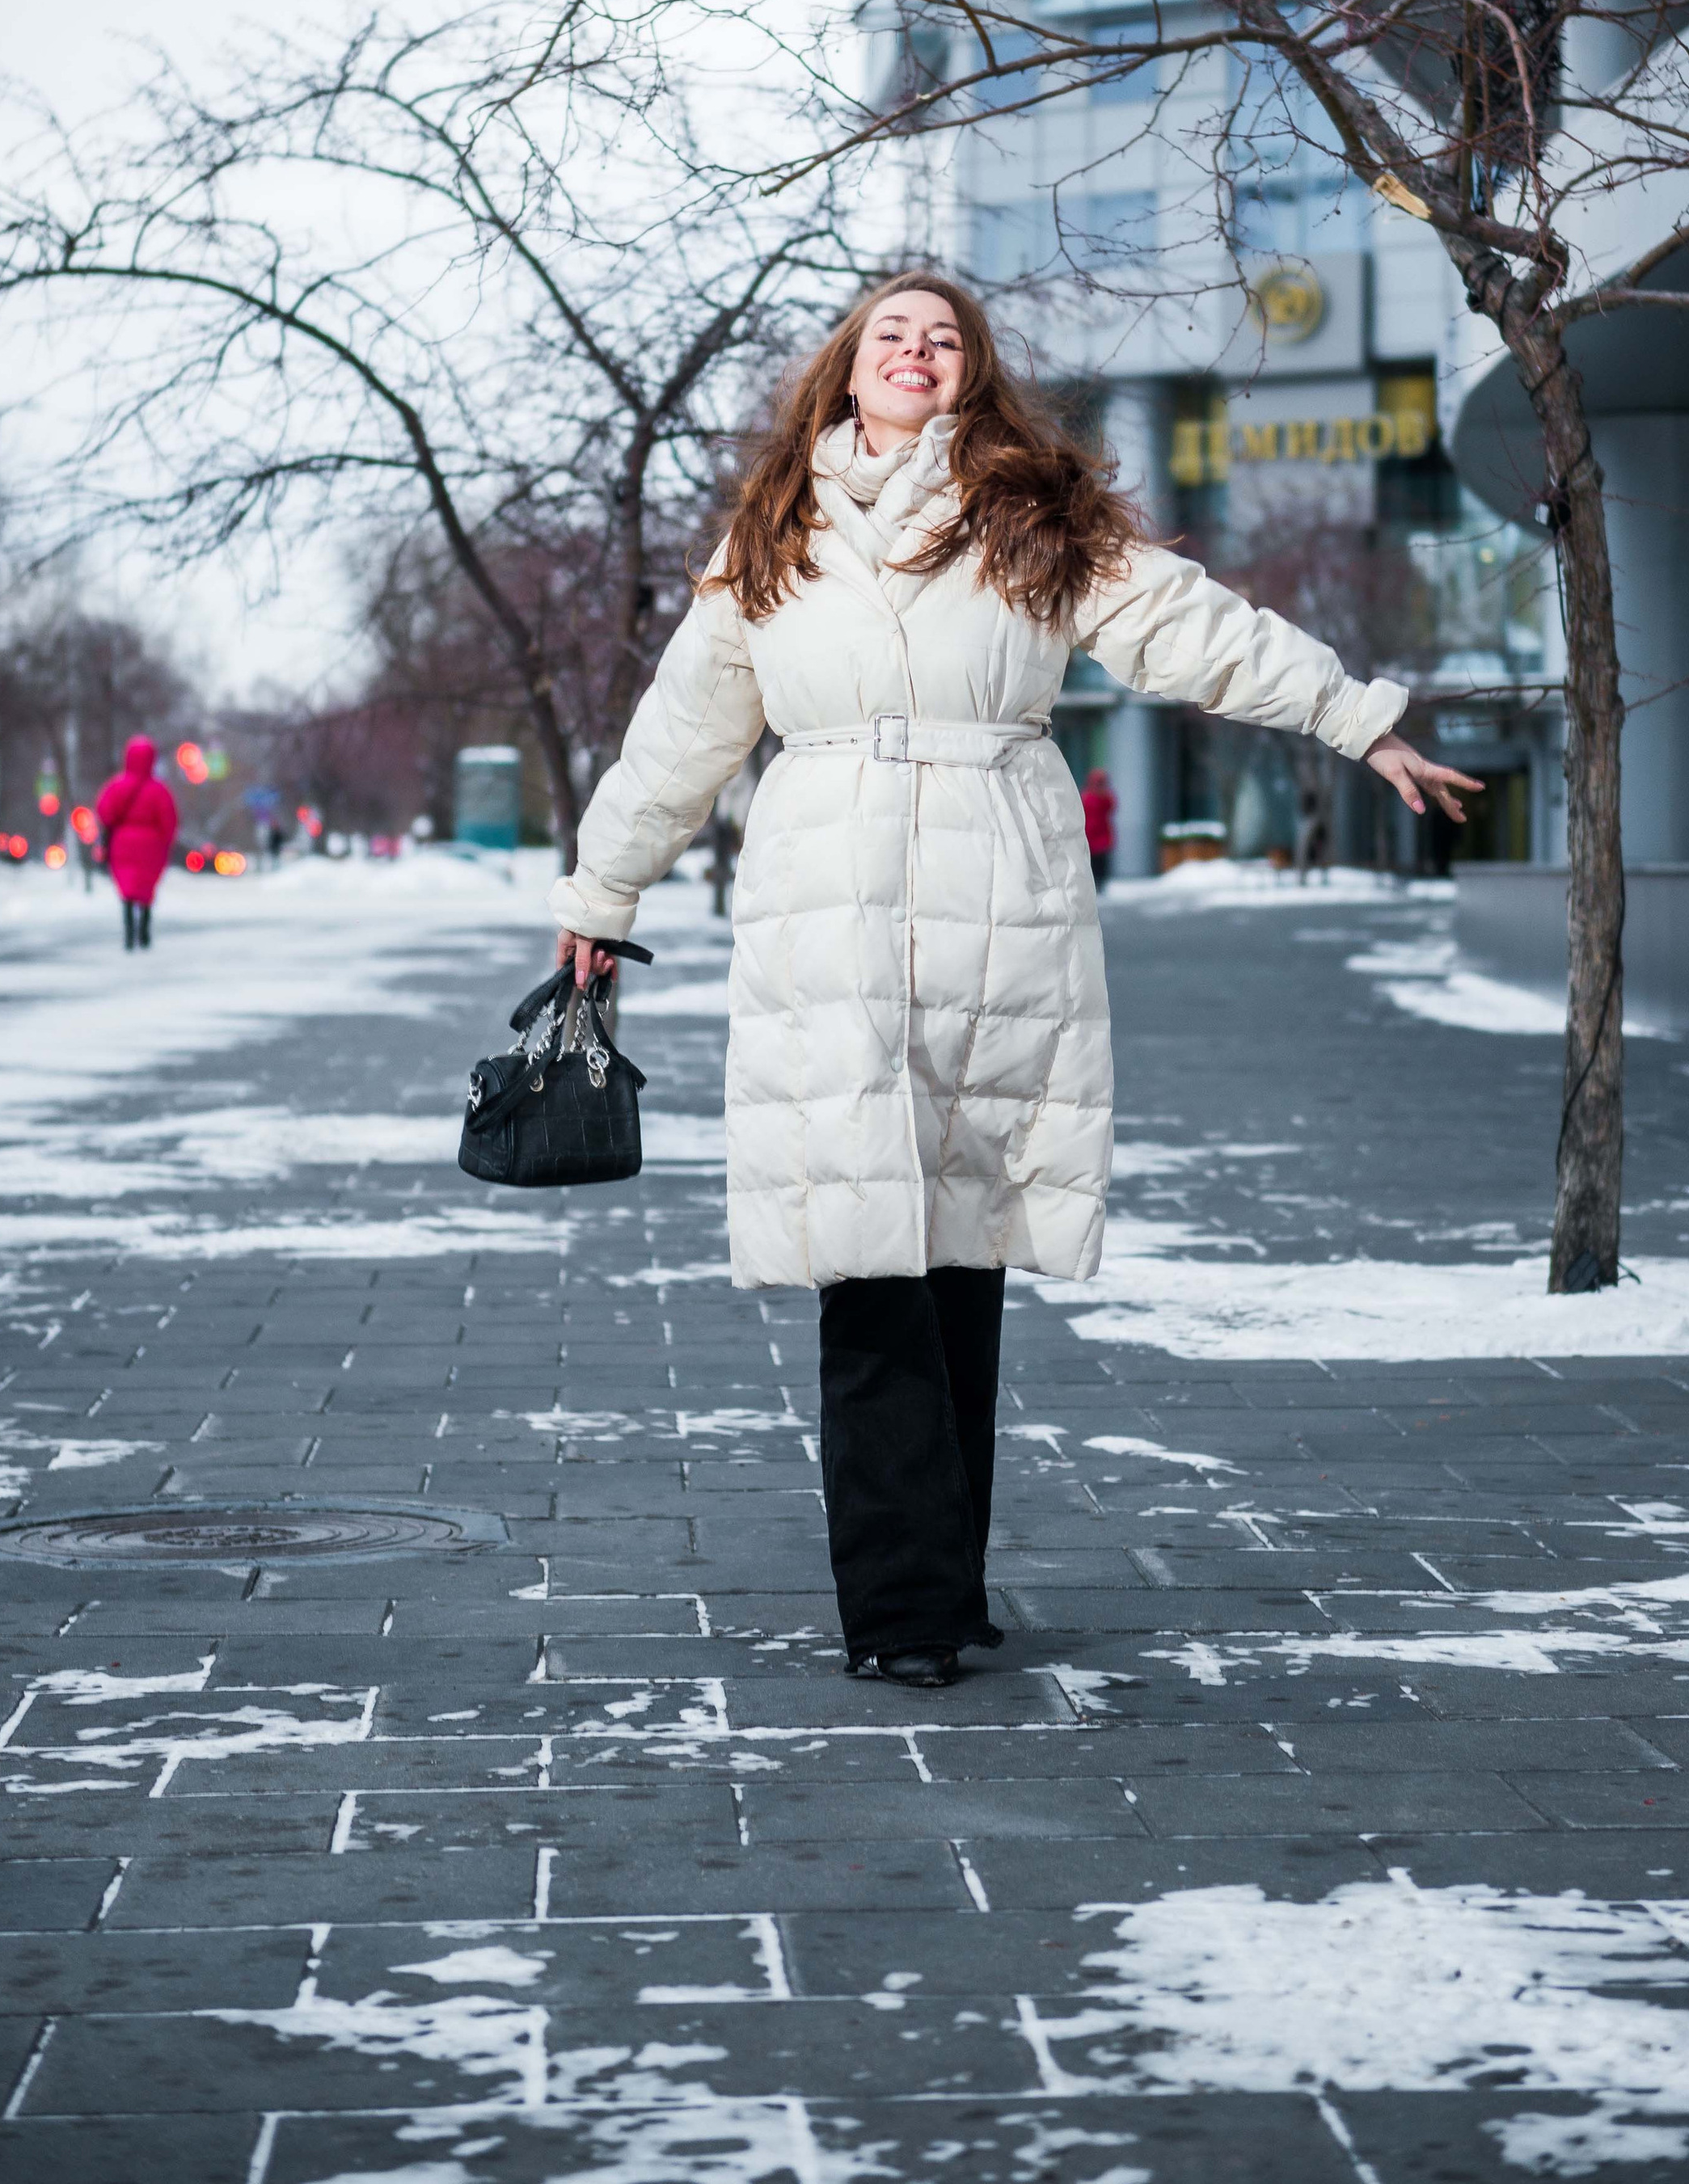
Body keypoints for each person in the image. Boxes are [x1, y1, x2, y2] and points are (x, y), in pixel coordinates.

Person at [551, 274, 1480, 1689]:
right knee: (865, 1262)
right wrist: (602, 892)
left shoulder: (1032, 515)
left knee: (959, 1259)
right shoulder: (772, 537)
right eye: (891, 336)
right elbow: (684, 732)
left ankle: (951, 1584)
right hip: (828, 915)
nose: (918, 353)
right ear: (846, 372)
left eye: (944, 338)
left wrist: (1358, 722)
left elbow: (1194, 626)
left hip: (1003, 899)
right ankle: (904, 1612)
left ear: (970, 372)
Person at [93, 736, 179, 951]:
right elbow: (169, 819)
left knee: (128, 889)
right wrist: (165, 843)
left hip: (123, 844)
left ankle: (129, 931)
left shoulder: (116, 786)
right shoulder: (159, 790)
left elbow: (104, 811)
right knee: (146, 887)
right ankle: (144, 930)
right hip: (151, 846)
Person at [1080, 765, 1117, 892]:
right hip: (1090, 836)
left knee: (1101, 862)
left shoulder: (1103, 797)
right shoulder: (1087, 797)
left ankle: (1100, 884)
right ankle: (1095, 884)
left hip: (1100, 836)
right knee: (1093, 863)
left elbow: (1112, 806)